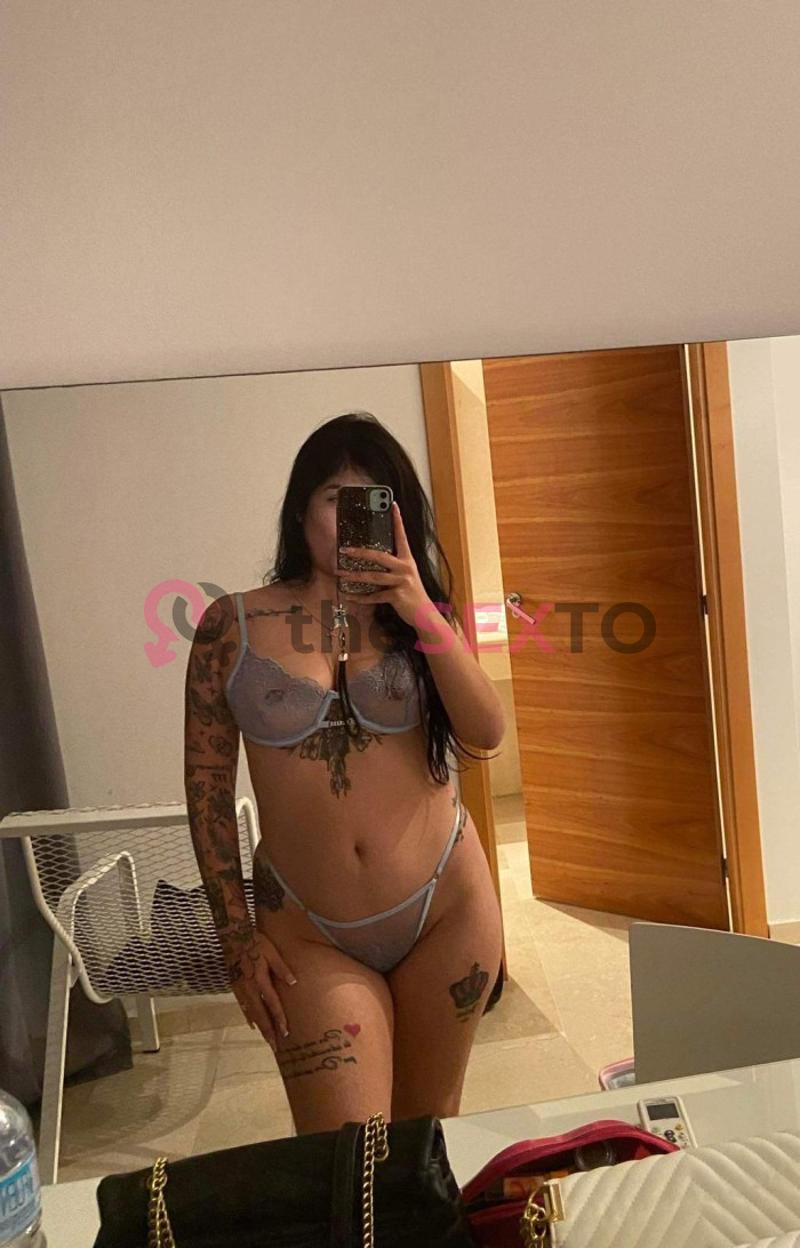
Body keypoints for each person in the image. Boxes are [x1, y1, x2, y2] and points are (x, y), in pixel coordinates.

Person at [184, 411, 505, 1134]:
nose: (351, 518)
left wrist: (419, 608)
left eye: (373, 499)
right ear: (301, 510)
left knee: (427, 1140)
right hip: (307, 931)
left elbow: (486, 734)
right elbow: (206, 790)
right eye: (336, 497)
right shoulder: (230, 626)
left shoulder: (419, 617)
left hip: (445, 910)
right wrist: (235, 938)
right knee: (347, 1160)